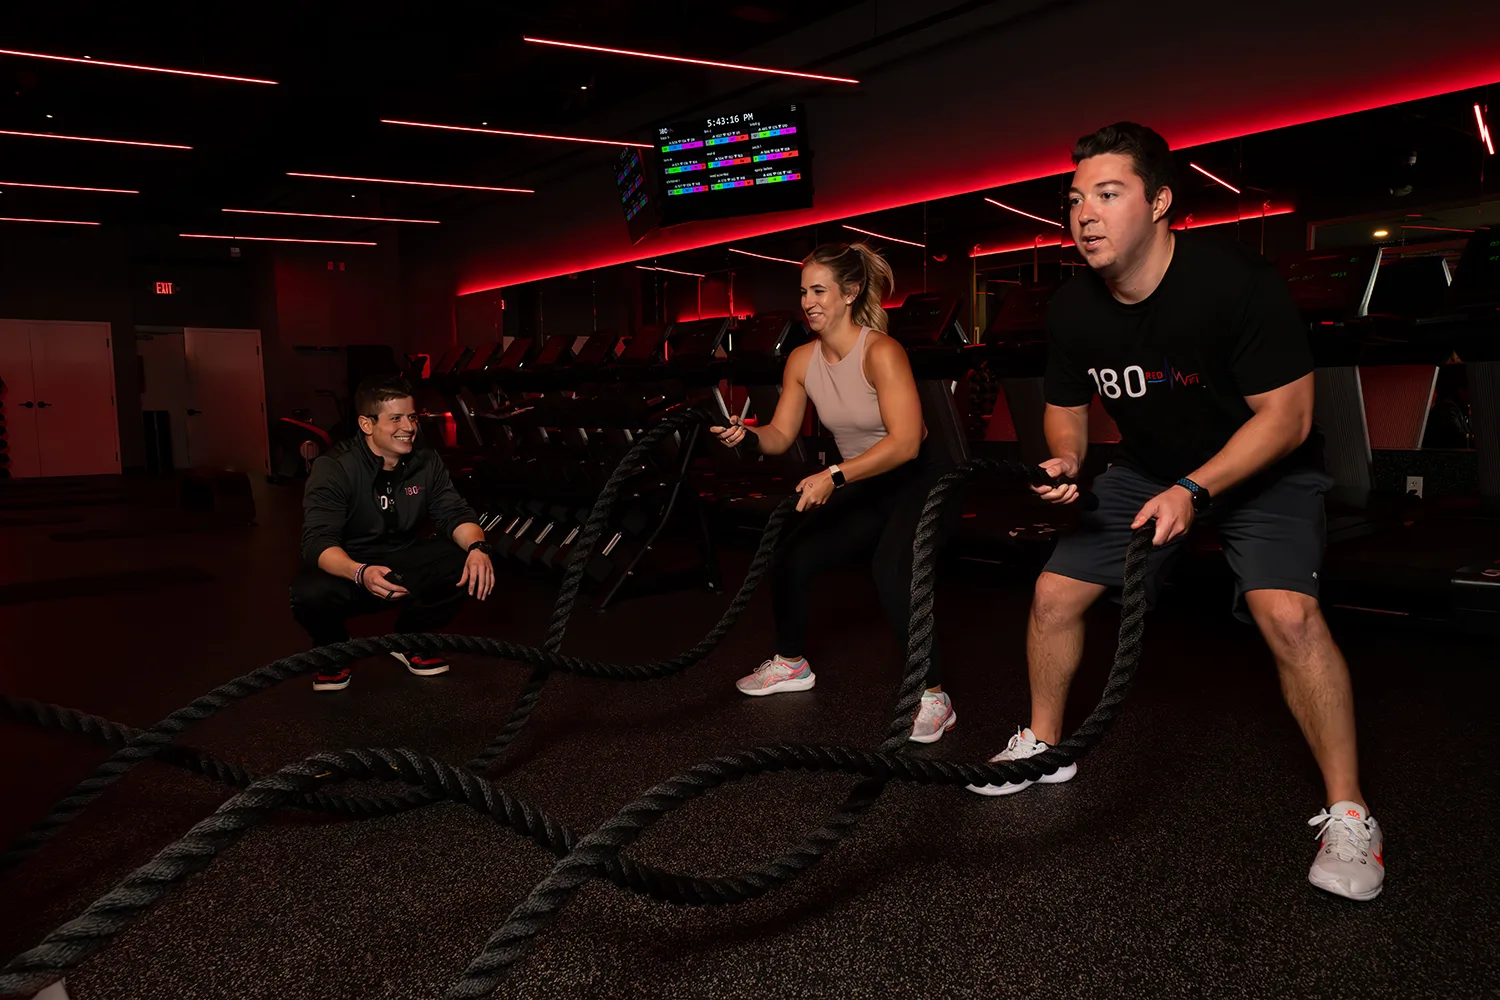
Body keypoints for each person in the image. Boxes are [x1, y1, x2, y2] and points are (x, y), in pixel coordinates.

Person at [967, 122, 1385, 902]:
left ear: (1161, 203)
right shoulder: (1073, 308)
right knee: (1055, 595)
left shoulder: (1235, 284)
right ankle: (1045, 745)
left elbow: (1288, 419)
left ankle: (1351, 811)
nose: (1084, 213)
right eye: (1075, 198)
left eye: (1109, 193)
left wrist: (1196, 491)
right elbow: (1065, 410)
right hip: (1148, 468)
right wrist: (1064, 460)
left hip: (1265, 469)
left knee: (1289, 618)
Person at [710, 242, 961, 743]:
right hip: (865, 479)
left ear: (849, 293)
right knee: (792, 554)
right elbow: (781, 435)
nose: (808, 301)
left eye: (819, 290)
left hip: (923, 479)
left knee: (892, 568)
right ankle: (792, 663)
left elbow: (907, 442)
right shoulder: (802, 360)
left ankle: (934, 696)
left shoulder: (881, 352)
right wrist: (749, 435)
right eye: (803, 291)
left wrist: (835, 476)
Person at [291, 376, 495, 692]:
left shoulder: (427, 461)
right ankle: (332, 648)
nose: (409, 427)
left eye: (412, 416)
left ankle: (410, 639)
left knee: (464, 559)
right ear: (366, 424)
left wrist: (479, 548)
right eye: (396, 418)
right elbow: (319, 543)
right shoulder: (334, 467)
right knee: (308, 593)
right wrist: (360, 573)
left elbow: (455, 514)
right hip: (350, 567)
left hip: (400, 558)